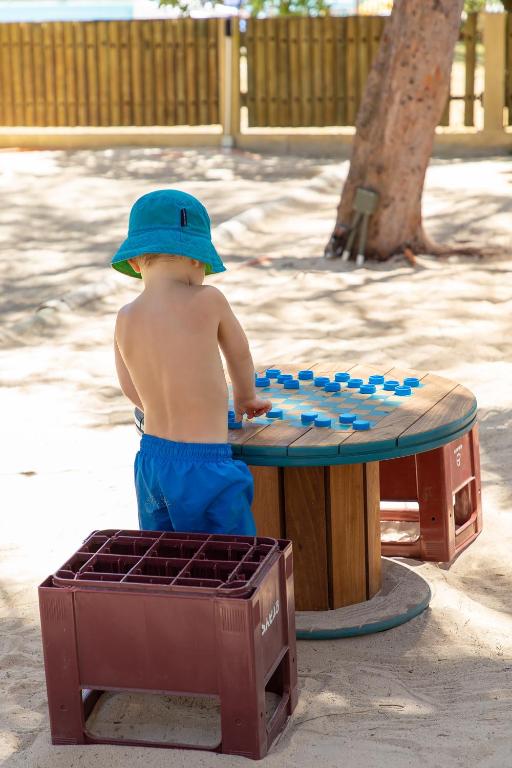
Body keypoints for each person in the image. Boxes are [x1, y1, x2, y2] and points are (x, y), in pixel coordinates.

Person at [112, 189, 271, 535]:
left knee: (166, 556)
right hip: (205, 465)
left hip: (152, 462)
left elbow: (130, 388)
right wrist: (246, 397)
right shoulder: (209, 300)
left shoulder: (125, 317)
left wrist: (158, 405)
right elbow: (239, 354)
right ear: (198, 260)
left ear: (137, 263)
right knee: (231, 557)